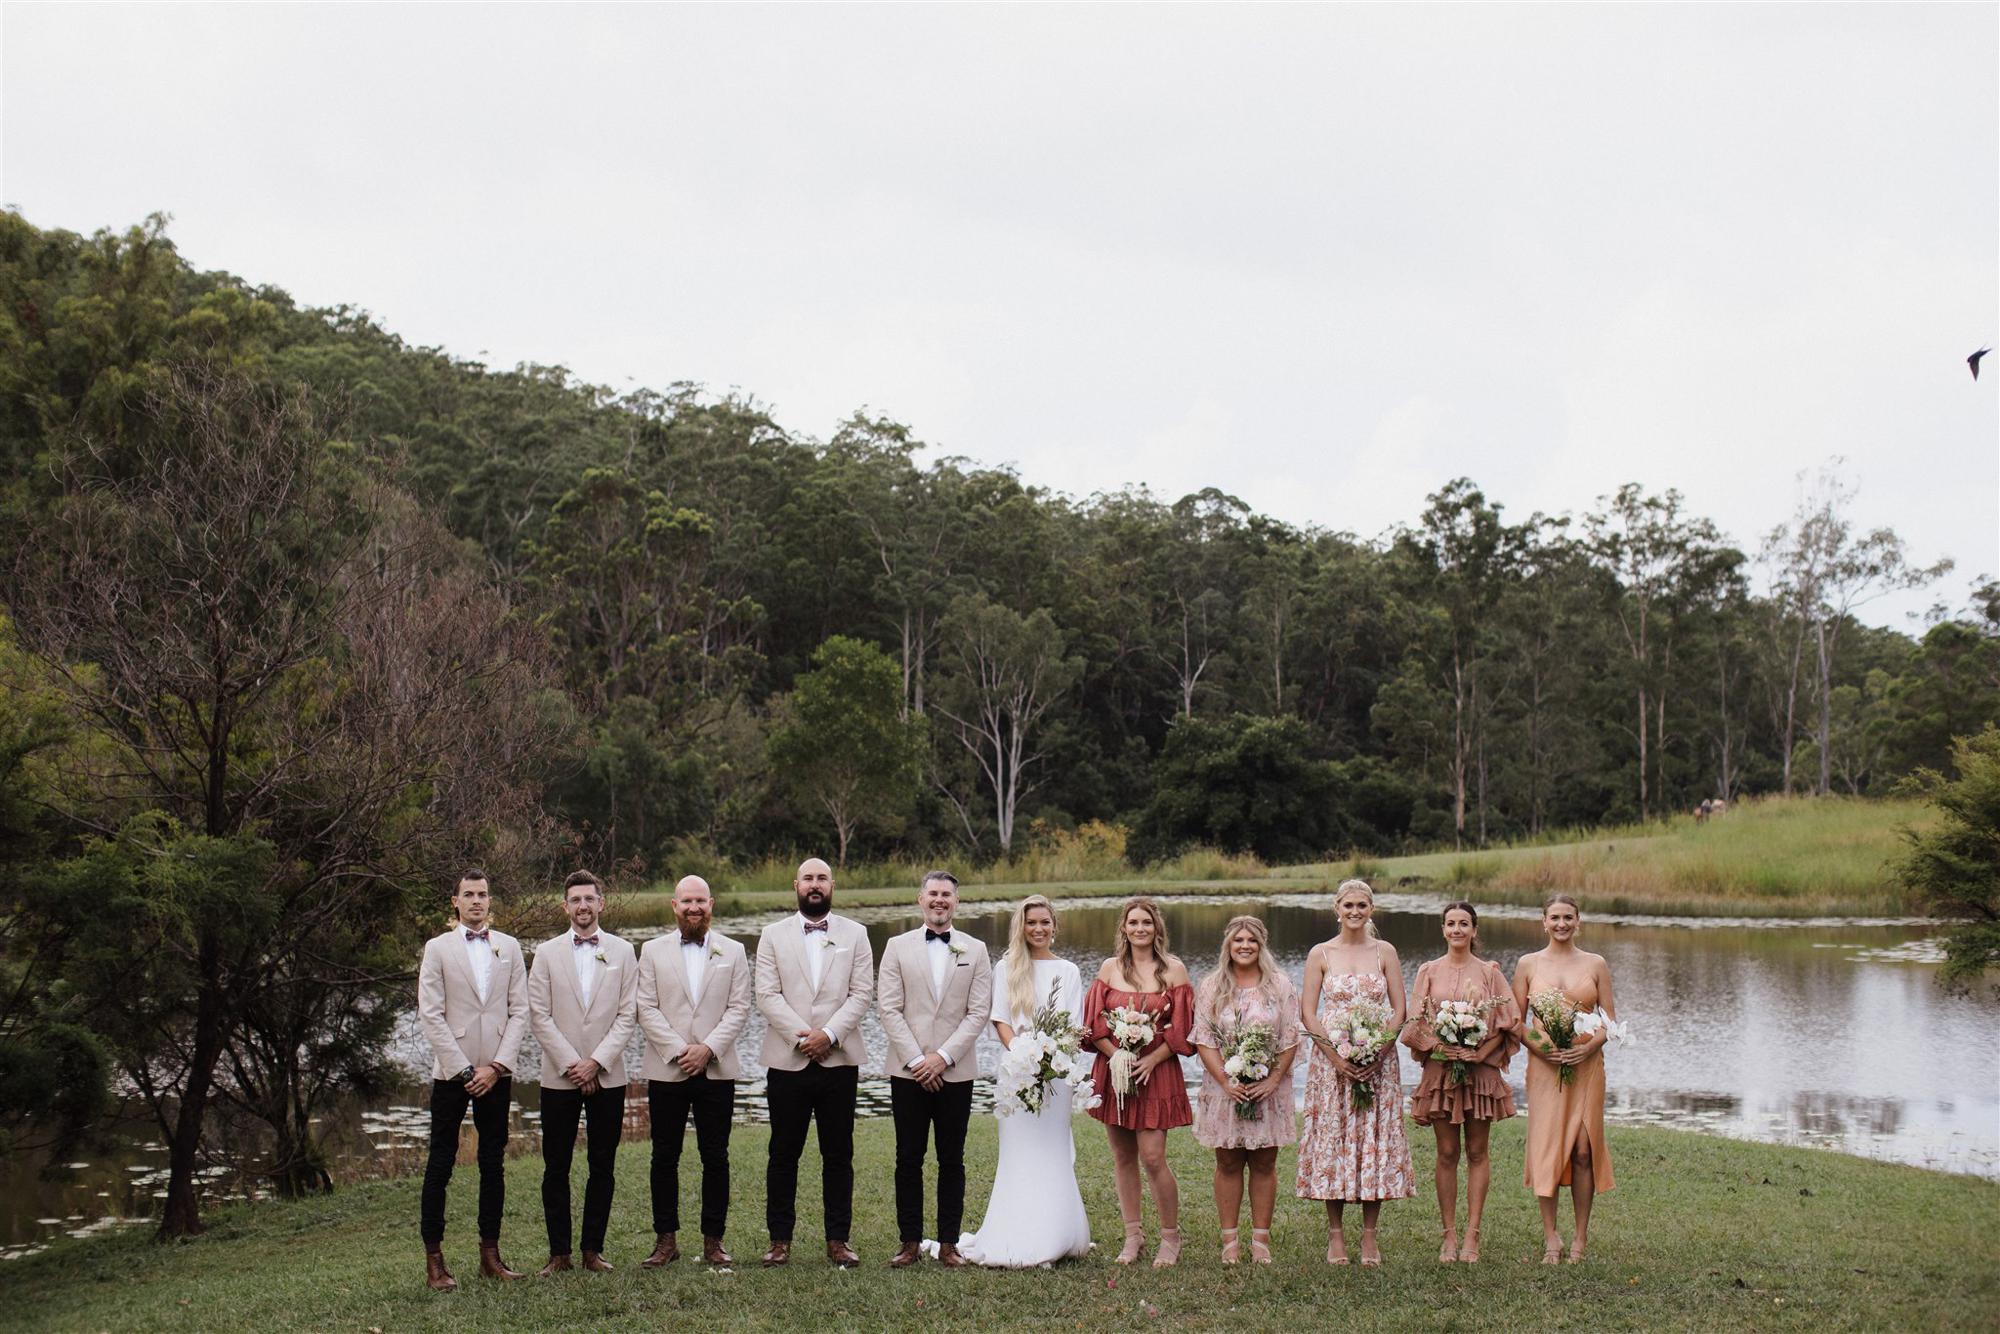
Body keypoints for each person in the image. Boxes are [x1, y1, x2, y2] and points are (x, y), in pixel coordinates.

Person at [957, 894, 1093, 1267]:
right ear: (1022, 926)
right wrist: (1022, 1054)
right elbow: (1000, 1019)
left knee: (1052, 1150)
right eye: (1031, 922)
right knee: (1019, 1152)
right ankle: (1017, 1232)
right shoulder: (1006, 968)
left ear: (1054, 926)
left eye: (1044, 922)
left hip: (1057, 1074)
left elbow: (1074, 1025)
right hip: (1016, 1072)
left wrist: (1050, 1060)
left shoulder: (1068, 971)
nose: (1038, 929)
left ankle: (1056, 1233)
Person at [754, 857, 874, 1268]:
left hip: (839, 1061)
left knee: (838, 1154)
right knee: (782, 1154)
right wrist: (805, 1037)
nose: (815, 884)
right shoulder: (771, 935)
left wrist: (830, 1035)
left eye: (822, 878)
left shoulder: (856, 934)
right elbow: (767, 994)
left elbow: (862, 993)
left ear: (832, 885)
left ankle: (838, 1240)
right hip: (787, 1060)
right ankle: (779, 1241)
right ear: (796, 885)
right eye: (808, 878)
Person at [416, 868, 530, 1290]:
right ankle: (435, 1262)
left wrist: (497, 1067)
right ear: (456, 901)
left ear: (489, 900)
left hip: (495, 1072)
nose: (477, 900)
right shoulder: (437, 949)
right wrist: (464, 1070)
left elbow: (520, 1010)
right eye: (469, 894)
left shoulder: (510, 947)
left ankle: (490, 1255)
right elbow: (431, 1013)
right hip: (453, 1073)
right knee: (440, 1163)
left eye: (482, 894)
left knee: (492, 1163)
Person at [876, 870, 994, 1268]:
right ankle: (909, 1242)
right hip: (907, 1071)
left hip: (955, 1071)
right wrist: (917, 1061)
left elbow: (978, 1012)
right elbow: (889, 1008)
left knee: (952, 1158)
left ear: (956, 901)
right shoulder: (896, 946)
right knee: (908, 1157)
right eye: (933, 894)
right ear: (920, 899)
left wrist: (942, 1057)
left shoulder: (976, 949)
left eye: (946, 894)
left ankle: (948, 1243)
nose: (939, 900)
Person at [635, 874, 752, 1269]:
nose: (694, 907)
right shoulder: (652, 951)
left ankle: (714, 1241)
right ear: (675, 905)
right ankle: (665, 1241)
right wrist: (679, 1050)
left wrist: (708, 1049)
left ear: (711, 904)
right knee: (664, 1157)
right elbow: (646, 1007)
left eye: (700, 901)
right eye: (687, 901)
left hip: (716, 1069)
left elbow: (739, 1007)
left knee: (715, 1157)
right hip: (667, 1069)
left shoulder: (733, 951)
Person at [1296, 879, 1414, 1266]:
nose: (1355, 912)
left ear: (1371, 909)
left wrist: (1380, 1049)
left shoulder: (1385, 951)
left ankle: (1369, 1237)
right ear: (1337, 909)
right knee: (1334, 1140)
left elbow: (1400, 1009)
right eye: (1348, 905)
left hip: (1378, 1062)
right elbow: (1308, 1012)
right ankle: (1335, 1236)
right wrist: (1335, 1057)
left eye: (1362, 905)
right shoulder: (1320, 953)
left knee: (1372, 1141)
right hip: (1331, 1063)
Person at [527, 869, 638, 1275]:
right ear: (565, 906)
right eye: (575, 900)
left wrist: (596, 1062)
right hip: (560, 1076)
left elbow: (628, 1015)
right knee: (556, 1166)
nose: (583, 906)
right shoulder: (546, 953)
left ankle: (593, 1250)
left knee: (602, 1164)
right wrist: (573, 1063)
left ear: (601, 903)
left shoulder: (623, 951)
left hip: (608, 1074)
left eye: (589, 898)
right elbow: (539, 1015)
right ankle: (559, 1254)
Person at [1399, 901, 1519, 1265]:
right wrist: (1439, 1046)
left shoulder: (1490, 972)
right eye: (1451, 923)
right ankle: (1449, 1234)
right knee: (1447, 1152)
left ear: (1474, 930)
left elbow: (1510, 1021)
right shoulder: (1428, 971)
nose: (1457, 930)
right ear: (1443, 929)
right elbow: (1413, 1023)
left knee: (1478, 1152)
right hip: (1441, 1073)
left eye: (1464, 923)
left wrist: (1480, 1054)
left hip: (1480, 1073)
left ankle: (1472, 1234)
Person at [1082, 896, 1195, 1268]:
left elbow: (1183, 1029)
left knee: (1153, 1157)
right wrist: (1116, 1055)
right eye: (1133, 922)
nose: (1140, 928)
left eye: (1146, 922)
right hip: (1114, 1072)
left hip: (1156, 1071)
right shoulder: (1109, 968)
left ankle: (1170, 1237)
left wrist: (1152, 1059)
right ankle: (1133, 1237)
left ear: (1156, 927)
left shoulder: (1174, 970)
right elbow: (1094, 1024)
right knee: (1122, 1156)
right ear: (1124, 928)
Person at [1512, 893, 1618, 1264]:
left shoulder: (1596, 963)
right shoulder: (1528, 964)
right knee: (1549, 1149)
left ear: (1578, 921)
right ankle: (1551, 1238)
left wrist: (1589, 1049)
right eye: (1555, 917)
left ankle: (1580, 1238)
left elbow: (1610, 1021)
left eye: (1568, 917)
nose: (1561, 924)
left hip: (1586, 1067)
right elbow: (1515, 1021)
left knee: (1584, 1150)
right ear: (1544, 921)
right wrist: (1540, 1047)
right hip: (1546, 1068)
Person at [1190, 915, 1299, 1266]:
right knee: (1228, 1160)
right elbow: (1204, 1038)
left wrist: (1272, 1080)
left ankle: (1261, 1241)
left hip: (1269, 1089)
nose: (1245, 946)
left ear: (1262, 945)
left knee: (1265, 1161)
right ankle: (1230, 1242)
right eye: (1238, 940)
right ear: (1228, 945)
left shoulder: (1280, 985)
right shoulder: (1212, 986)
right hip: (1226, 1087)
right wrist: (1226, 1081)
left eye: (1252, 940)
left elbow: (1290, 1037)